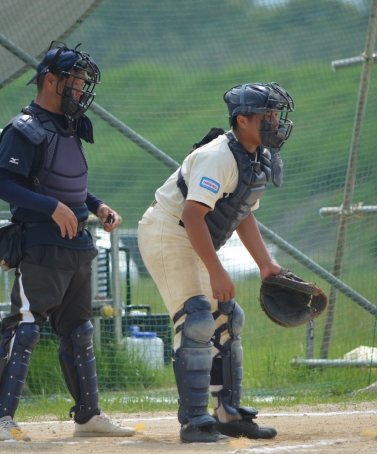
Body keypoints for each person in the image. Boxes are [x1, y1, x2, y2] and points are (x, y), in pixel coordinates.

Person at [0, 42, 134, 442]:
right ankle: (1, 420)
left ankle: (88, 415)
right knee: (26, 326)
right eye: (75, 82)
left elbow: (65, 182)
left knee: (79, 330)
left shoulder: (69, 125)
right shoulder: (24, 127)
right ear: (50, 81)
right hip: (42, 246)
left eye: (82, 83)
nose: (80, 90)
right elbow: (1, 183)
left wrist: (97, 206)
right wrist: (51, 208)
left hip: (77, 245)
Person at [137, 83, 295, 443]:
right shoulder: (218, 156)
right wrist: (216, 271)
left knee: (227, 319)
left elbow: (242, 213)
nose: (275, 121)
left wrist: (266, 264)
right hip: (167, 230)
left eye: (276, 114)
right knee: (196, 319)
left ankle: (227, 414)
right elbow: (193, 216)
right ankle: (194, 421)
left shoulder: (255, 158)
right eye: (267, 115)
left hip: (190, 235)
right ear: (243, 120)